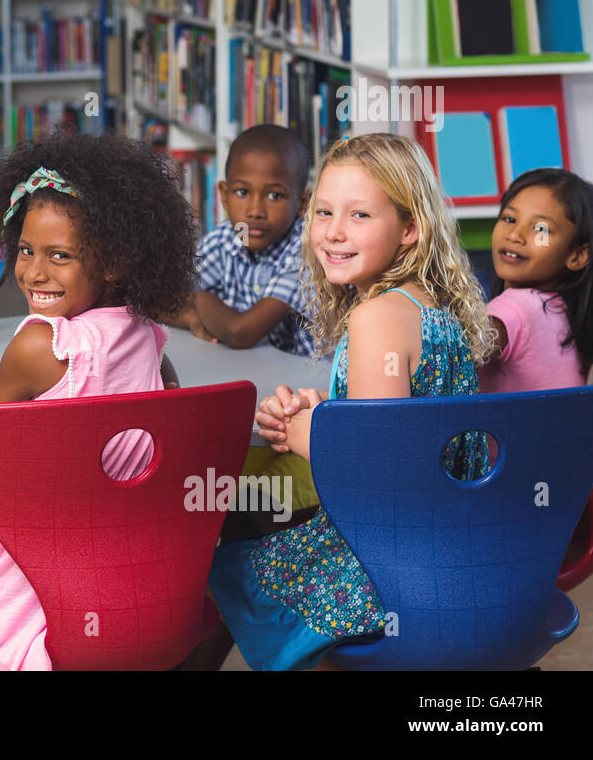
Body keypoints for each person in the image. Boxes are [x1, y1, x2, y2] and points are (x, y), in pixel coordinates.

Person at [203, 133, 495, 671]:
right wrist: (328, 412)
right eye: (324, 212)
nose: (333, 233)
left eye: (359, 215)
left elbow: (378, 474)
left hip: (392, 565)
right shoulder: (426, 307)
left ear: (410, 229)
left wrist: (299, 433)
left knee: (220, 564)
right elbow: (400, 422)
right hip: (454, 545)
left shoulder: (375, 318)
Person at [0, 131, 193, 670]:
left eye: (59, 256)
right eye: (27, 250)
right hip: (130, 563)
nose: (34, 273)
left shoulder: (43, 344)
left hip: (48, 570)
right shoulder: (150, 336)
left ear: (114, 263)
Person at [167, 125, 316, 355]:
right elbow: (154, 300)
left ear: (302, 204)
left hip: (312, 383)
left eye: (274, 195)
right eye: (242, 193)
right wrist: (190, 318)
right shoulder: (223, 240)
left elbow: (240, 332)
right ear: (224, 196)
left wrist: (197, 300)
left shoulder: (306, 251)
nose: (255, 211)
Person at [478, 168, 592, 392]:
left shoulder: (516, 307)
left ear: (577, 256)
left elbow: (454, 351)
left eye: (541, 228)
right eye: (509, 219)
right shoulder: (565, 311)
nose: (515, 235)